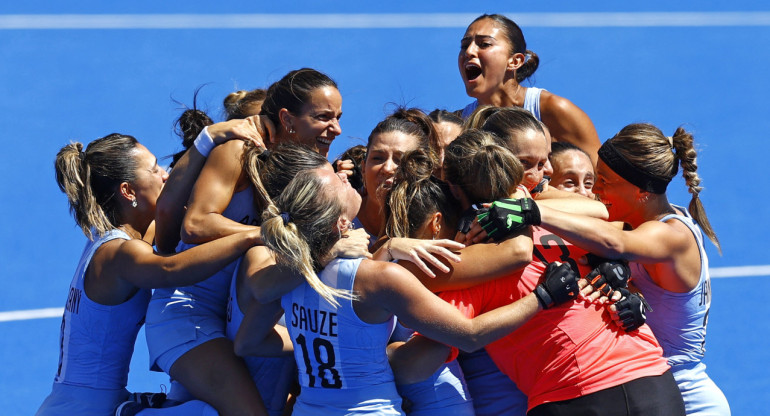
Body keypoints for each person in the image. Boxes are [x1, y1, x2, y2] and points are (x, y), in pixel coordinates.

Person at [240, 165, 580, 415]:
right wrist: (543, 297)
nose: (345, 174)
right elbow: (470, 335)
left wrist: (311, 345)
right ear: (342, 224)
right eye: (337, 181)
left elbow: (249, 342)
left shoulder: (288, 278)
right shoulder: (379, 278)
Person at [146, 68, 365, 416]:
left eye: (338, 118)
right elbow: (197, 224)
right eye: (323, 117)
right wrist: (272, 231)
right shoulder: (239, 148)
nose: (336, 129)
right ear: (286, 118)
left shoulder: (302, 163)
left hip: (234, 313)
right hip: (190, 311)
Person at [38, 133, 263, 416]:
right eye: (155, 169)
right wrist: (256, 236)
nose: (166, 176)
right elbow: (172, 269)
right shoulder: (119, 254)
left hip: (80, 403)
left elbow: (177, 218)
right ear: (128, 191)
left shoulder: (111, 236)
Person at [532, 123, 730, 415]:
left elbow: (614, 242)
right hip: (656, 391)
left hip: (689, 401)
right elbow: (585, 211)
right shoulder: (648, 219)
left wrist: (531, 211)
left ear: (640, 191)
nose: (595, 192)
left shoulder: (671, 236)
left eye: (605, 181)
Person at [457, 13, 600, 162]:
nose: (469, 51)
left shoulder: (555, 111)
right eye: (464, 46)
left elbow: (602, 180)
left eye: (484, 44)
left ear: (515, 61)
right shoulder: (459, 124)